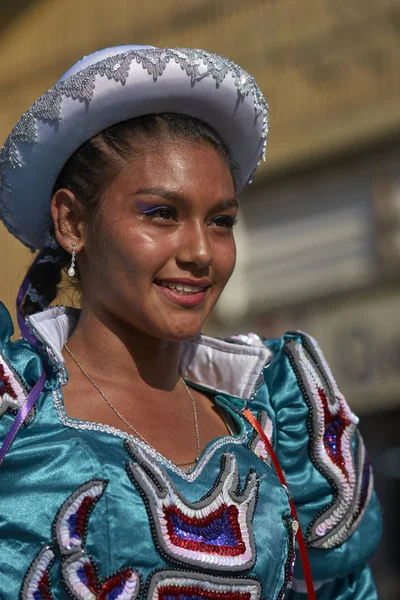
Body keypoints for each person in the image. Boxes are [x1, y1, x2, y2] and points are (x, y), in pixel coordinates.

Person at [0, 45, 382, 600]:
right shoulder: (15, 415)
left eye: (222, 221)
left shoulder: (275, 424)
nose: (202, 252)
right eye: (162, 214)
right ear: (73, 222)